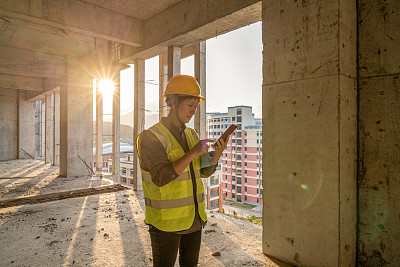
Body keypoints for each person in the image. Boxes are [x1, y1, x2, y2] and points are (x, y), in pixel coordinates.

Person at [137, 75, 228, 267]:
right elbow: (161, 177)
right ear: (172, 101)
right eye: (190, 105)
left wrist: (216, 154)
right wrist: (193, 152)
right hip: (166, 224)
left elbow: (202, 172)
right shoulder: (150, 137)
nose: (193, 111)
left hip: (194, 219)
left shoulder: (191, 134)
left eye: (196, 106)